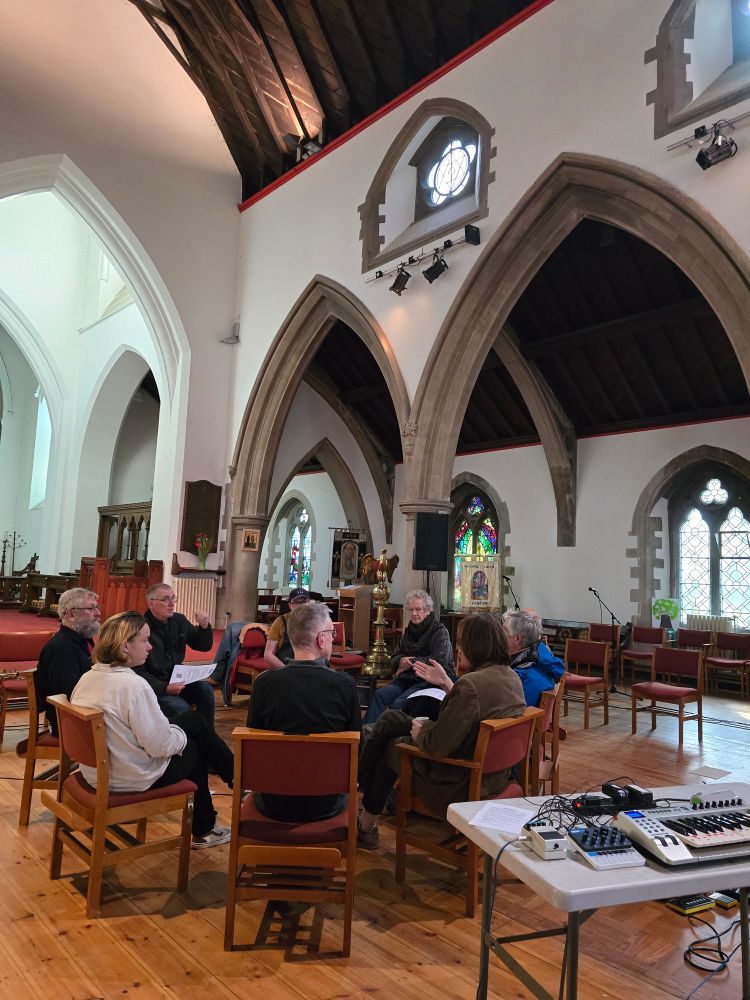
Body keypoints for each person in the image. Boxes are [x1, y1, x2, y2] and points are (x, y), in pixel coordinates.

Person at [357, 612, 526, 849]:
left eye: (461, 643)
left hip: (456, 782)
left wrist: (422, 729)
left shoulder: (471, 685)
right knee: (391, 719)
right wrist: (446, 684)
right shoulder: (511, 677)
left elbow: (437, 746)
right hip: (494, 776)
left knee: (390, 746)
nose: (458, 649)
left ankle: (365, 821)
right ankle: (362, 793)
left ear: (475, 647)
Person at [71, 611, 234, 849]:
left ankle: (230, 786)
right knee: (194, 743)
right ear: (125, 645)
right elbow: (160, 747)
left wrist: (171, 730)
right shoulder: (133, 684)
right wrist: (179, 736)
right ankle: (211, 818)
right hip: (129, 777)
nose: (149, 647)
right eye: (145, 641)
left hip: (96, 771)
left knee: (193, 721)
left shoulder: (88, 676)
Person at [248, 600, 361, 823]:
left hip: (273, 800)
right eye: (331, 633)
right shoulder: (344, 685)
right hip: (326, 801)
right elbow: (355, 746)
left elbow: (254, 743)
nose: (332, 638)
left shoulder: (264, 683)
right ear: (321, 639)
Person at [363, 589, 455, 724]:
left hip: (430, 681)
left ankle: (390, 742)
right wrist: (400, 660)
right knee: (380, 695)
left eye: (418, 609)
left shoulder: (439, 631)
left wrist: (409, 661)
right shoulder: (408, 632)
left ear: (428, 610)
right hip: (407, 679)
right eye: (411, 610)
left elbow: (438, 660)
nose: (414, 614)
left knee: (400, 703)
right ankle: (364, 736)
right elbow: (394, 657)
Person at [136, 583, 216, 727]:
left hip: (177, 680)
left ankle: (207, 734)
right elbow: (138, 672)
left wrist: (204, 626)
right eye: (166, 599)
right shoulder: (140, 627)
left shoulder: (179, 620)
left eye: (173, 598)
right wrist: (165, 687)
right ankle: (183, 743)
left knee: (206, 690)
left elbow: (203, 646)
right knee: (180, 707)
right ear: (151, 603)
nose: (172, 603)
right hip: (154, 686)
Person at [35, 587, 101, 736]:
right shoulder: (61, 649)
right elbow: (69, 695)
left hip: (85, 710)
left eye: (96, 607)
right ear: (71, 614)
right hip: (69, 720)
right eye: (91, 608)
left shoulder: (83, 639)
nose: (98, 613)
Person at [502, 608, 564, 707]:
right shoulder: (540, 664)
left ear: (517, 638)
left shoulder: (520, 677)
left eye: (503, 631)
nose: (499, 635)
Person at [262, 587, 310, 669]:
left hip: (307, 667)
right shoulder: (280, 622)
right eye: (296, 602)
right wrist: (285, 670)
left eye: (303, 602)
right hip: (284, 666)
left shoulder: (314, 621)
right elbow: (268, 654)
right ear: (290, 605)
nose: (300, 606)